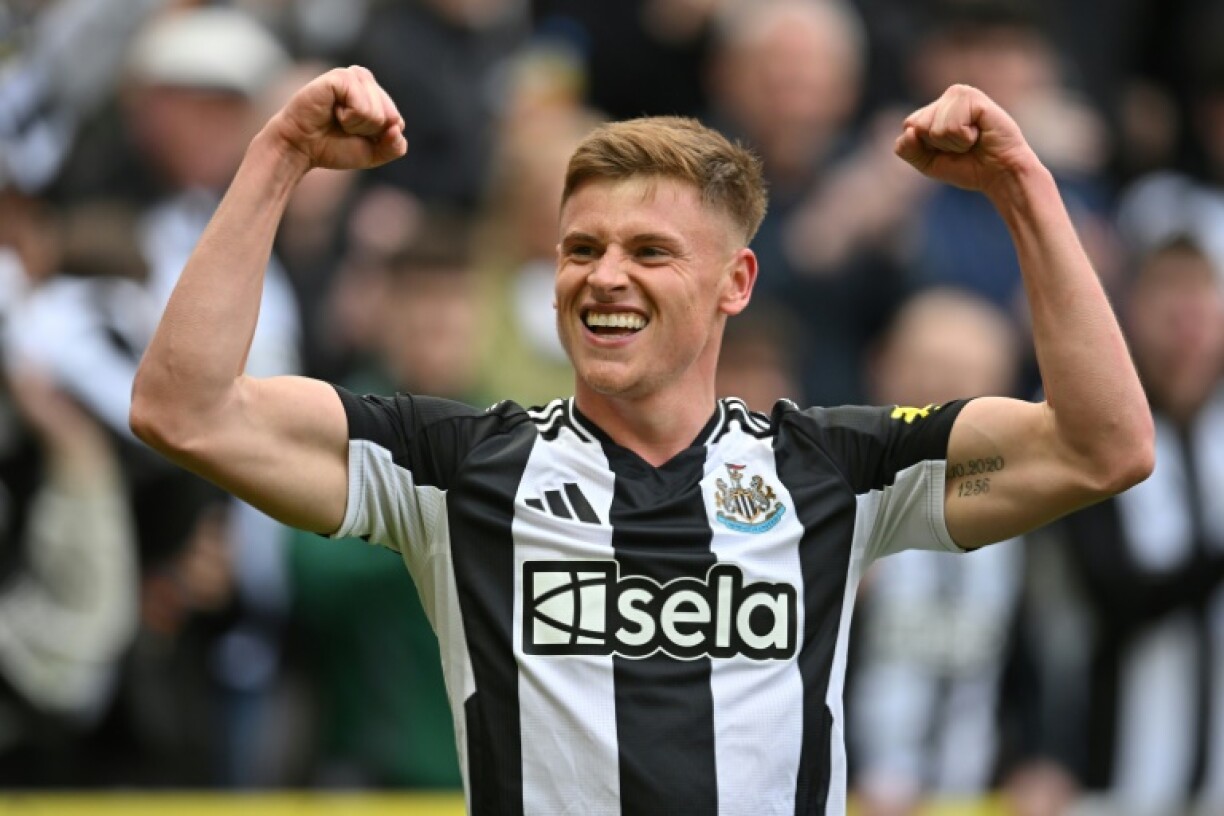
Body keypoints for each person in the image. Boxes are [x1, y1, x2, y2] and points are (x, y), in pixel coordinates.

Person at [129, 67, 1153, 813]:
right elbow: (186, 409)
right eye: (582, 248)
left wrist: (1023, 186)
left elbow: (1102, 447)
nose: (603, 276)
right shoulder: (454, 464)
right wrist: (279, 157)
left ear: (733, 285)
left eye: (650, 251)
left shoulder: (836, 468)